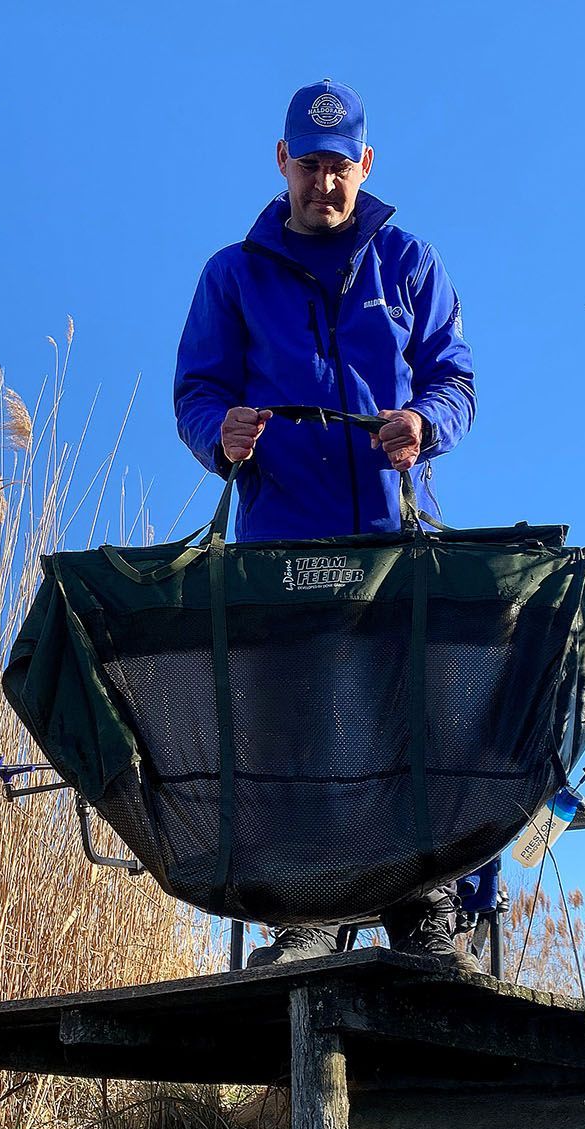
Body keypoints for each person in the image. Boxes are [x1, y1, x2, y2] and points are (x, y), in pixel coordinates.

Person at [174, 79, 476, 966]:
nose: (325, 184)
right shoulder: (230, 275)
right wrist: (217, 432)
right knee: (293, 733)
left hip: (393, 543)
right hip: (278, 548)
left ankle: (422, 913)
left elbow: (455, 377)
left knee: (406, 720)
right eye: (309, 166)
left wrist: (425, 421)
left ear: (365, 165)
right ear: (282, 163)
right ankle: (307, 918)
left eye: (340, 167)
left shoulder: (410, 261)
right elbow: (197, 392)